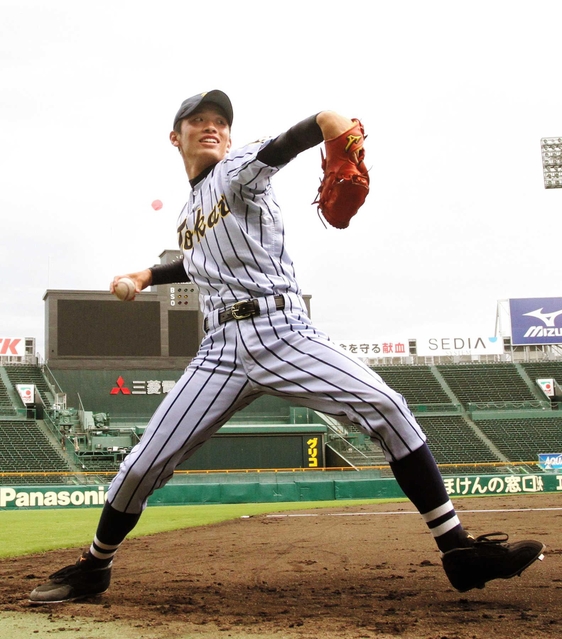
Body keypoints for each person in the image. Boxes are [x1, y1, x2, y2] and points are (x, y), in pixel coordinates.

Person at [30, 90, 545, 603]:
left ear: (230, 136)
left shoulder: (237, 168)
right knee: (142, 466)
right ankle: (93, 566)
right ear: (175, 136)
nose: (211, 126)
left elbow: (287, 144)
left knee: (388, 407)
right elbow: (200, 261)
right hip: (220, 351)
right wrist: (148, 273)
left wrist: (327, 122)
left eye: (220, 122)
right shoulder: (189, 215)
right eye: (198, 120)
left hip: (284, 332)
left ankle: (457, 550)